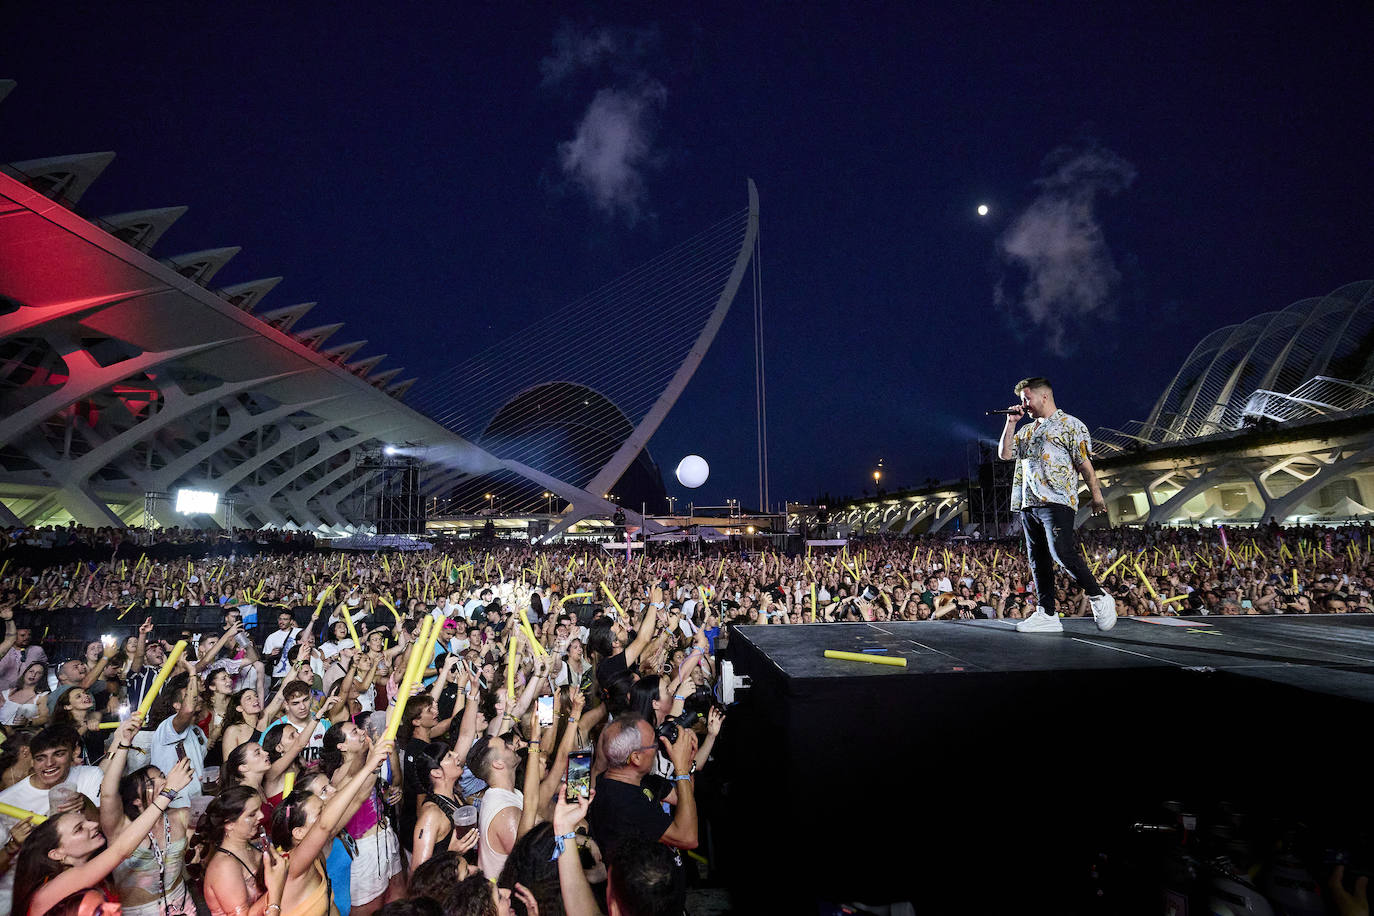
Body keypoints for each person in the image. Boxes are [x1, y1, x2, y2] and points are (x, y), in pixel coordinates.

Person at [997, 376, 1117, 634]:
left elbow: (1085, 464)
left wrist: (1097, 497)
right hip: (1029, 503)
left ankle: (1099, 597)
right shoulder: (1027, 430)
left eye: (1026, 399)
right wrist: (1010, 424)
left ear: (1044, 396)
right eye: (1021, 401)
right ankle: (1047, 613)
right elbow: (1005, 454)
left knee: (1061, 552)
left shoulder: (1070, 425)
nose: (1024, 405)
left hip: (1057, 500)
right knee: (1037, 559)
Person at [10, 756, 194, 916]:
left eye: (85, 820)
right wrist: (168, 792)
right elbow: (121, 849)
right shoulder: (53, 889)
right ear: (56, 853)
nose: (93, 823)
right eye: (79, 829)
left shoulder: (89, 872)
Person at [0, 725, 106, 916]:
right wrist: (13, 845)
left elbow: (105, 830)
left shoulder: (89, 776)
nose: (49, 763)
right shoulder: (7, 801)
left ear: (72, 754)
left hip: (83, 890)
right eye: (41, 758)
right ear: (32, 761)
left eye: (58, 754)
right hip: (18, 902)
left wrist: (85, 804)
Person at [100, 716, 195, 916]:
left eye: (162, 776)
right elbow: (108, 792)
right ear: (135, 799)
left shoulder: (179, 815)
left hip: (182, 902)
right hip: (140, 910)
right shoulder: (121, 827)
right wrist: (124, 743)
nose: (163, 781)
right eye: (152, 782)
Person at [586, 714, 697, 865]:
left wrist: (688, 764)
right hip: (648, 886)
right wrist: (681, 770)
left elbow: (682, 799)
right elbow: (688, 838)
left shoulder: (640, 779)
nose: (659, 748)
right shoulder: (623, 802)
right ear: (636, 758)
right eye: (654, 744)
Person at [320, 721, 405, 916]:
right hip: (365, 848)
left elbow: (368, 796)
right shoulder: (340, 774)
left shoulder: (365, 762)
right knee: (368, 908)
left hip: (386, 835)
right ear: (341, 746)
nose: (361, 733)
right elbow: (358, 772)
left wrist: (388, 795)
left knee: (397, 895)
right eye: (354, 732)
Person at [191, 786, 289, 916]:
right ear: (229, 824)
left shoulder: (250, 845)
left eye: (259, 809)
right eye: (252, 814)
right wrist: (275, 889)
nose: (261, 815)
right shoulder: (224, 867)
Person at [466, 734, 523, 879]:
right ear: (498, 764)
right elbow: (530, 860)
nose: (512, 746)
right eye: (506, 746)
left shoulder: (508, 794)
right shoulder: (505, 810)